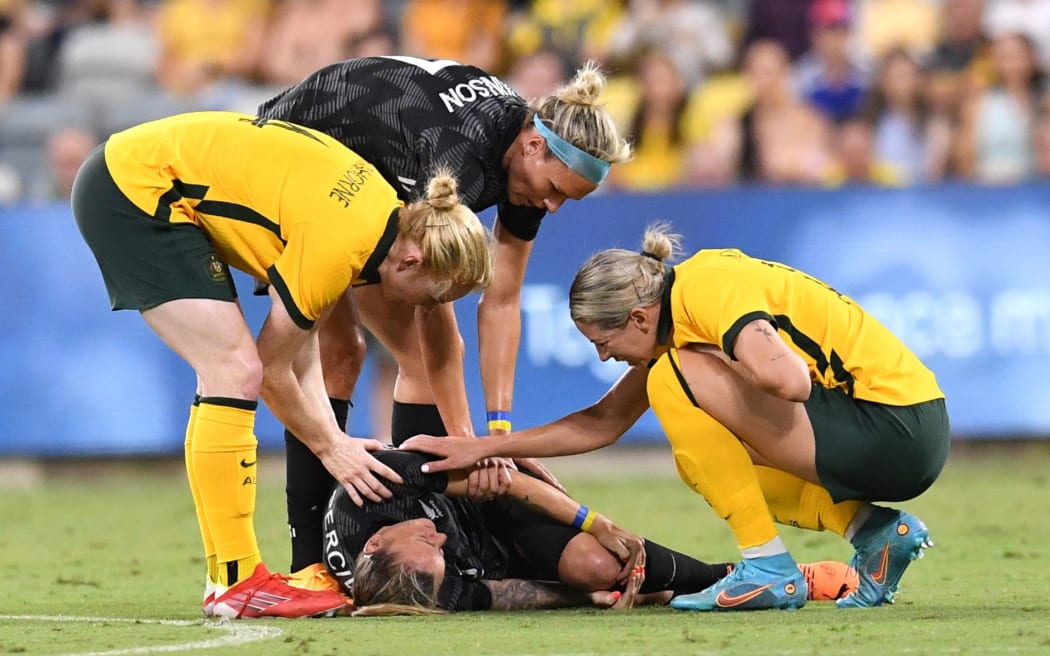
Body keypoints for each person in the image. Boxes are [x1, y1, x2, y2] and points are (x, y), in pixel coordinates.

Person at [70, 111, 492, 619]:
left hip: (140, 176)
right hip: (137, 191)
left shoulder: (377, 215)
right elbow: (272, 371)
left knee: (228, 370)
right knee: (236, 370)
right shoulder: (341, 244)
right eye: (434, 297)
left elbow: (301, 352)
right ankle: (234, 581)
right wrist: (331, 446)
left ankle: (232, 576)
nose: (424, 309)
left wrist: (328, 436)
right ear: (411, 263)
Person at [404, 223, 950, 611]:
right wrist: (483, 448)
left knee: (671, 380)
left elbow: (790, 380)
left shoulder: (706, 289)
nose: (603, 356)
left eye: (604, 341)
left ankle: (769, 570)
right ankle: (876, 532)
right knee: (706, 463)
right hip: (901, 428)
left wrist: (729, 356)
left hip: (895, 428)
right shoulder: (679, 316)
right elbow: (602, 422)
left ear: (639, 317)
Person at [255, 55, 632, 580]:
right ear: (533, 146)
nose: (552, 208)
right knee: (362, 355)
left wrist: (496, 435)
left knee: (365, 356)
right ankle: (311, 568)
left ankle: (343, 560)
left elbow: (501, 300)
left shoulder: (525, 169)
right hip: (292, 157)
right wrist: (468, 443)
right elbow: (434, 306)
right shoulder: (460, 159)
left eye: (567, 199)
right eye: (555, 191)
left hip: (362, 171)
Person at [321, 450, 857, 614]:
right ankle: (742, 583)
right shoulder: (426, 591)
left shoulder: (372, 490)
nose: (437, 539)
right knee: (602, 579)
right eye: (436, 552)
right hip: (496, 561)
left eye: (426, 540)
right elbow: (506, 594)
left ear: (376, 542)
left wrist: (592, 520)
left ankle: (742, 573)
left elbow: (504, 481)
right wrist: (582, 597)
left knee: (603, 556)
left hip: (500, 511)